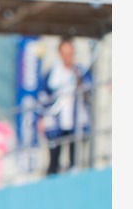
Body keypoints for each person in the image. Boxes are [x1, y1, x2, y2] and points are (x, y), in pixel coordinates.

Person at [38, 37, 93, 175]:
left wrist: (78, 77)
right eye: (65, 53)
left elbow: (89, 92)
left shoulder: (80, 71)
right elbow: (44, 97)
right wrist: (42, 118)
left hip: (76, 121)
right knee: (54, 158)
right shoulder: (52, 73)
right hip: (56, 123)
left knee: (74, 157)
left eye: (71, 53)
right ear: (60, 53)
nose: (68, 57)